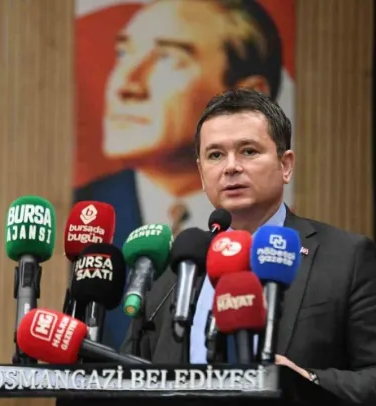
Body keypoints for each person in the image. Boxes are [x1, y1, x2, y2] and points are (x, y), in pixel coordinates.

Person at [119, 88, 376, 406]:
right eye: (215, 155)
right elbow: (125, 381)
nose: (231, 167)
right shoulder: (176, 271)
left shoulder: (345, 257)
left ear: (285, 165)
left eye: (248, 151)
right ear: (202, 174)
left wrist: (305, 381)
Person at [74, 0, 292, 350]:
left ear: (248, 96)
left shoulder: (339, 257)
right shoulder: (87, 219)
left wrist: (302, 376)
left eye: (167, 58)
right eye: (123, 54)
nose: (124, 85)